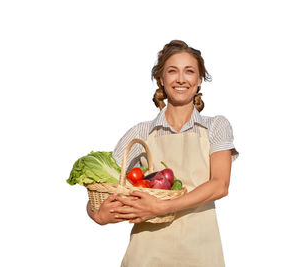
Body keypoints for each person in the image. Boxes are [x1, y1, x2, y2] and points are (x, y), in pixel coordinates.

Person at [86, 40, 239, 267]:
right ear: (161, 79)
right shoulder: (141, 133)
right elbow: (103, 185)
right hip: (147, 253)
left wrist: (163, 207)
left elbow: (220, 185)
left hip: (200, 252)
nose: (180, 79)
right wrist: (98, 214)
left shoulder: (216, 127)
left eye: (189, 71)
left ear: (198, 81)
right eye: (172, 71)